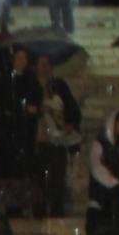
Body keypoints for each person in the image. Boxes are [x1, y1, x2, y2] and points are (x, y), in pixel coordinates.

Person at [33, 56, 83, 220]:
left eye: (48, 64)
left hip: (57, 139)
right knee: (38, 178)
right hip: (38, 138)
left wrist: (69, 124)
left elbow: (72, 108)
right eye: (42, 64)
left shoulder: (58, 85)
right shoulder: (30, 85)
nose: (45, 67)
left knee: (57, 176)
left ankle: (56, 211)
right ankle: (39, 211)